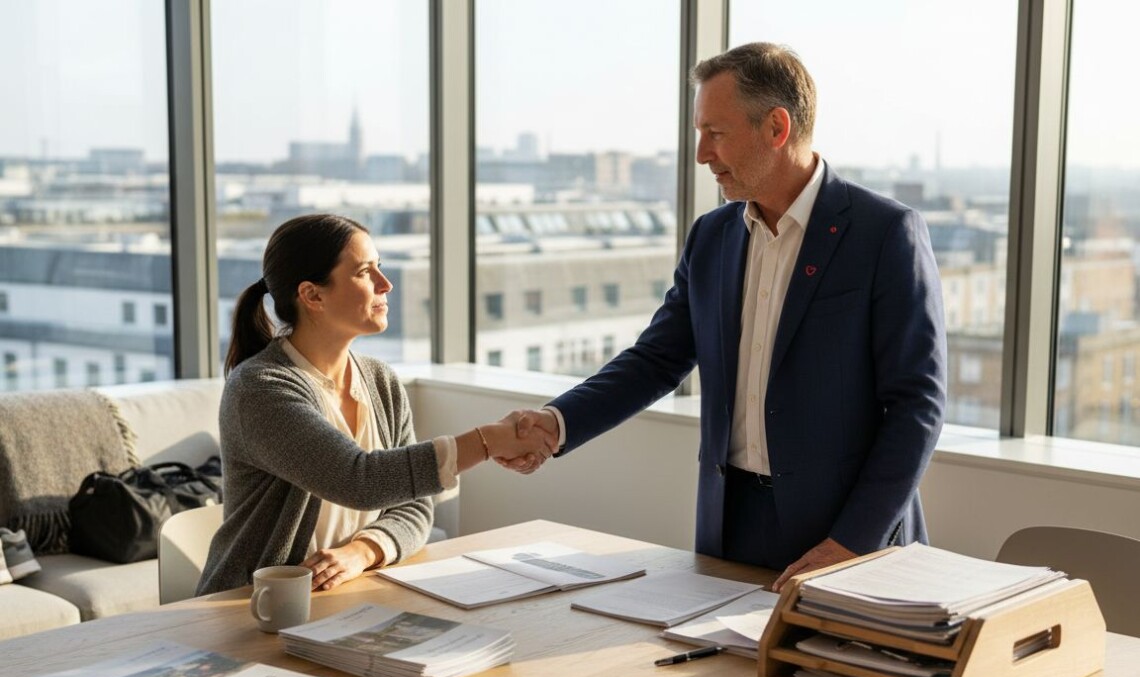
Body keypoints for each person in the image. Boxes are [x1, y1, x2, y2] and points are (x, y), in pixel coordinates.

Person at [505, 42, 947, 591]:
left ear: (776, 128)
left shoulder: (884, 234)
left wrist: (852, 542)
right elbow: (656, 360)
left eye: (715, 133)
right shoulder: (711, 237)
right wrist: (557, 423)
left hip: (848, 536)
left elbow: (917, 405)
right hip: (729, 525)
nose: (700, 154)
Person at [196, 214, 550, 595]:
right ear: (313, 295)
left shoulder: (380, 380)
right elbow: (359, 480)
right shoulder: (259, 388)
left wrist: (361, 552)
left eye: (379, 267)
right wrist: (487, 441)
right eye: (366, 272)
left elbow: (414, 507)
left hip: (347, 594)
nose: (386, 284)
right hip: (251, 604)